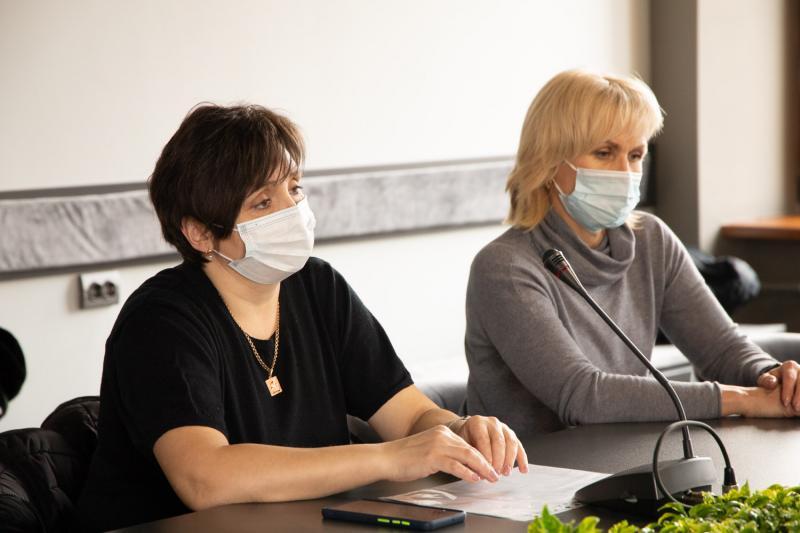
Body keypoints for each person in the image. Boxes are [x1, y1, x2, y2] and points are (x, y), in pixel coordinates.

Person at [78, 104, 527, 531]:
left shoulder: (317, 286)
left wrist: (458, 431)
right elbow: (206, 479)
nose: (291, 211)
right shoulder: (160, 321)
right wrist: (390, 457)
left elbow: (410, 418)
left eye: (293, 189)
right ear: (199, 233)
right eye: (262, 203)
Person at [464, 69, 800, 437]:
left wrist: (774, 379)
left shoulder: (651, 240)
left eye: (636, 154)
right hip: (532, 468)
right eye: (604, 153)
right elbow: (582, 396)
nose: (624, 172)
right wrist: (744, 399)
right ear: (548, 161)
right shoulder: (505, 267)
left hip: (626, 455)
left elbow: (721, 348)